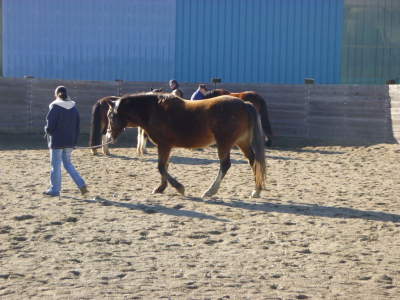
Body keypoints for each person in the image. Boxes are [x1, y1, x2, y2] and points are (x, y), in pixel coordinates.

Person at [43, 86, 88, 197]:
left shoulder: (55, 107)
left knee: (56, 166)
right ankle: (81, 184)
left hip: (57, 141)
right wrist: (74, 141)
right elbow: (77, 126)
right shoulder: (73, 107)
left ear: (56, 94)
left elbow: (50, 125)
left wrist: (47, 131)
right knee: (67, 163)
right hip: (70, 140)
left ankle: (54, 190)